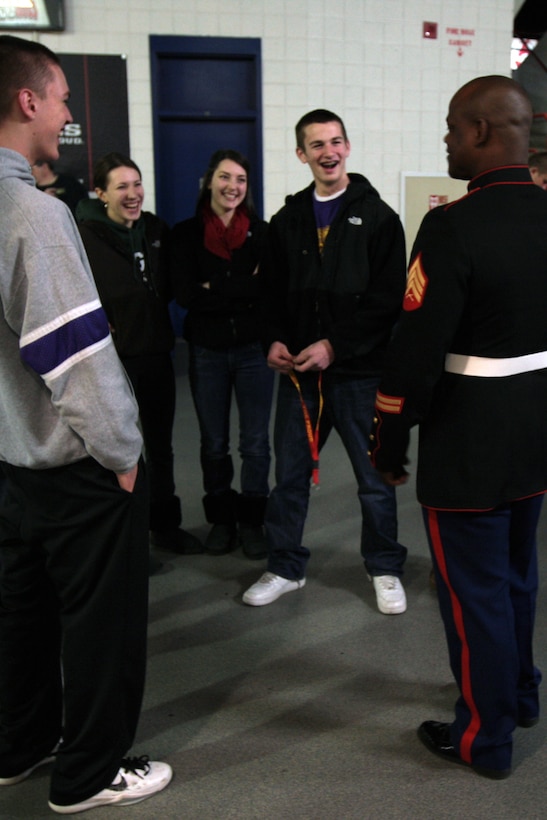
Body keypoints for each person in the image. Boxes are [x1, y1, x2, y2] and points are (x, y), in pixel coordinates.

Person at [0, 35, 172, 814]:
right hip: (70, 466)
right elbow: (74, 356)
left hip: (8, 461)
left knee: (20, 615)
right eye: (63, 98)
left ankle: (21, 743)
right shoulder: (33, 216)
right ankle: (88, 772)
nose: (69, 114)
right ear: (28, 102)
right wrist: (124, 452)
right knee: (99, 625)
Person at [370, 75, 547, 779]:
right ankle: (522, 694)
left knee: (473, 592)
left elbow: (414, 354)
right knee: (516, 577)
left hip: (467, 444)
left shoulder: (450, 226)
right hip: (534, 438)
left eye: (450, 128)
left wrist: (389, 440)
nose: (445, 140)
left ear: (479, 131)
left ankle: (484, 737)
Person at [243, 109, 408, 613]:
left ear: (348, 147)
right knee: (289, 477)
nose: (328, 152)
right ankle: (285, 567)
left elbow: (386, 302)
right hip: (299, 377)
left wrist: (335, 346)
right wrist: (272, 339)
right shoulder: (286, 221)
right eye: (316, 145)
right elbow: (266, 294)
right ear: (302, 154)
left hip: (359, 374)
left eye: (336, 142)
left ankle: (384, 567)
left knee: (374, 479)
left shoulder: (379, 218)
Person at [77, 152, 202, 559]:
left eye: (137, 184)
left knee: (161, 447)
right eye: (121, 186)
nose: (133, 194)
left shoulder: (154, 229)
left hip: (156, 355)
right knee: (119, 452)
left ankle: (165, 526)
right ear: (101, 193)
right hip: (112, 362)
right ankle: (126, 541)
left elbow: (166, 287)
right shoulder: (85, 236)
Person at [171, 149, 273, 558]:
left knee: (255, 444)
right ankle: (222, 520)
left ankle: (252, 521)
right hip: (207, 352)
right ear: (209, 181)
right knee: (213, 442)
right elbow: (185, 295)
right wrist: (239, 284)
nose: (233, 187)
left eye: (241, 180)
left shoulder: (262, 235)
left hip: (253, 352)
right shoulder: (184, 235)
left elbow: (266, 291)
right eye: (226, 178)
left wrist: (216, 286)